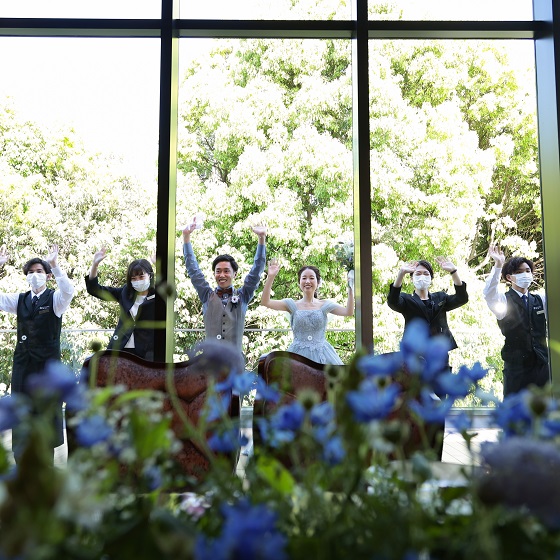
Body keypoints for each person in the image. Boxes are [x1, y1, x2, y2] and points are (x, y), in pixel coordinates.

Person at [0, 244, 75, 455]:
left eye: (39, 271)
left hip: (47, 367)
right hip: (23, 364)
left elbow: (69, 291)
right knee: (21, 410)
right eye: (31, 272)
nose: (34, 275)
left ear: (48, 276)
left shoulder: (55, 299)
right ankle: (21, 459)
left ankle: (45, 460)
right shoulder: (20, 299)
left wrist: (55, 265)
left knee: (46, 412)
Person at [182, 220, 267, 352]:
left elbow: (256, 272)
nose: (222, 275)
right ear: (214, 274)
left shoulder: (243, 296)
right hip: (210, 360)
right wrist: (186, 236)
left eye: (226, 271)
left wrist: (262, 238)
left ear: (234, 274)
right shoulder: (207, 295)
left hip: (234, 360)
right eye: (218, 271)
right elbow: (193, 270)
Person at [483, 244, 549, 397]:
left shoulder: (540, 299)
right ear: (509, 277)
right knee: (515, 409)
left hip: (541, 367)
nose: (525, 274)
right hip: (516, 369)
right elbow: (488, 292)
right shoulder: (503, 300)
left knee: (543, 407)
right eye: (519, 272)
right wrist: (498, 265)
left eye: (528, 271)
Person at [260, 260, 354, 365]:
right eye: (304, 278)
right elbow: (265, 302)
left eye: (311, 278)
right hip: (297, 355)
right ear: (299, 282)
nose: (307, 281)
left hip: (323, 355)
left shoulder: (324, 305)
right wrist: (271, 276)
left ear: (318, 282)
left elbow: (348, 312)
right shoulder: (291, 305)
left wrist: (350, 288)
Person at [387, 257, 468, 367]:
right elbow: (392, 301)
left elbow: (462, 298)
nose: (422, 276)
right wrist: (401, 273)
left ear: (431, 278)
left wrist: (454, 272)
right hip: (414, 355)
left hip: (439, 354)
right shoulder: (406, 300)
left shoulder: (441, 297)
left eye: (426, 273)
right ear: (411, 278)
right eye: (418, 273)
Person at [85, 248, 156, 360]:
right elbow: (95, 290)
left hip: (146, 353)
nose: (138, 281)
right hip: (121, 348)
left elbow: (172, 296)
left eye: (141, 277)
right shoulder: (125, 292)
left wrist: (159, 266)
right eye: (134, 278)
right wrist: (95, 265)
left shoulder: (157, 296)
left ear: (150, 276)